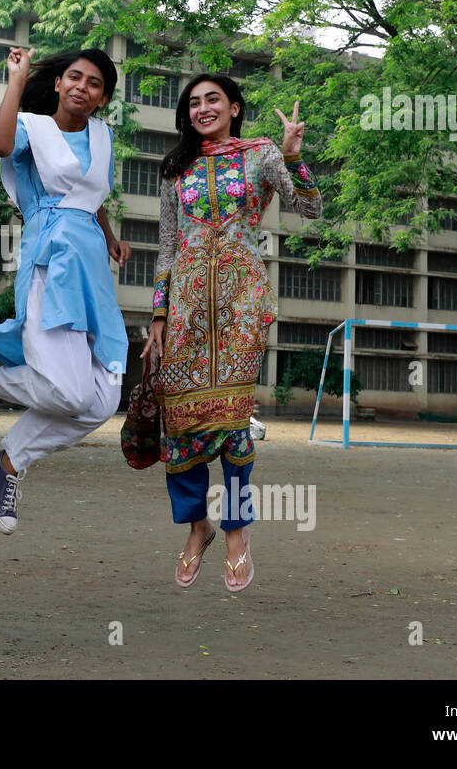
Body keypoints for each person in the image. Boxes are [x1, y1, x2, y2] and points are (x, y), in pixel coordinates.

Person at [141, 74, 322, 593]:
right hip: (188, 305)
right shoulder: (176, 168)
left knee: (233, 420)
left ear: (234, 107)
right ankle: (198, 526)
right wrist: (159, 313)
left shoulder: (262, 154)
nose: (203, 109)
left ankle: (237, 529)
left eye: (212, 100)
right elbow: (169, 246)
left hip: (242, 303)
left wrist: (291, 157)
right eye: (194, 103)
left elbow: (311, 209)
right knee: (181, 419)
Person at [0, 47, 130, 535]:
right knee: (69, 392)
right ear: (60, 83)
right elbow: (0, 145)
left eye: (93, 83)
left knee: (103, 400)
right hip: (52, 264)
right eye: (74, 77)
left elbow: (90, 194)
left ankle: (9, 461)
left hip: (90, 268)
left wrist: (109, 236)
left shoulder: (104, 136)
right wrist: (16, 81)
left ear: (103, 96)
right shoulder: (33, 127)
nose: (81, 87)